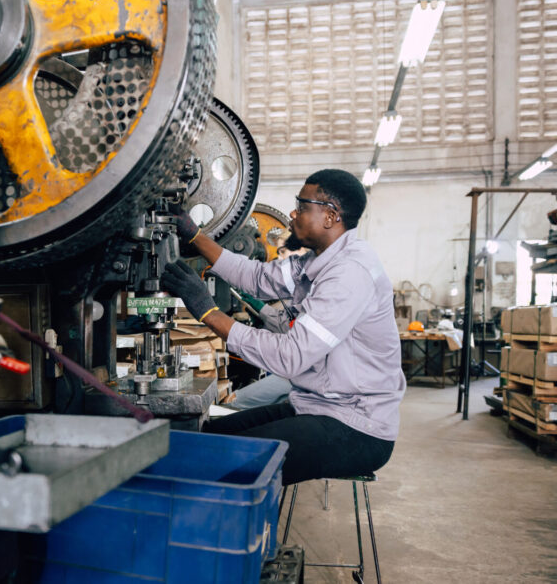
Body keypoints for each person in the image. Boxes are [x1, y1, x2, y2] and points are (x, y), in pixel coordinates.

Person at [162, 169, 404, 485]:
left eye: (302, 206)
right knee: (207, 439)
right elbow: (257, 277)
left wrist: (208, 312)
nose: (293, 213)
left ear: (330, 216)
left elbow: (290, 356)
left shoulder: (349, 273)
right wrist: (194, 235)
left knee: (227, 465)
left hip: (356, 425)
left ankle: (234, 529)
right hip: (314, 405)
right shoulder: (317, 261)